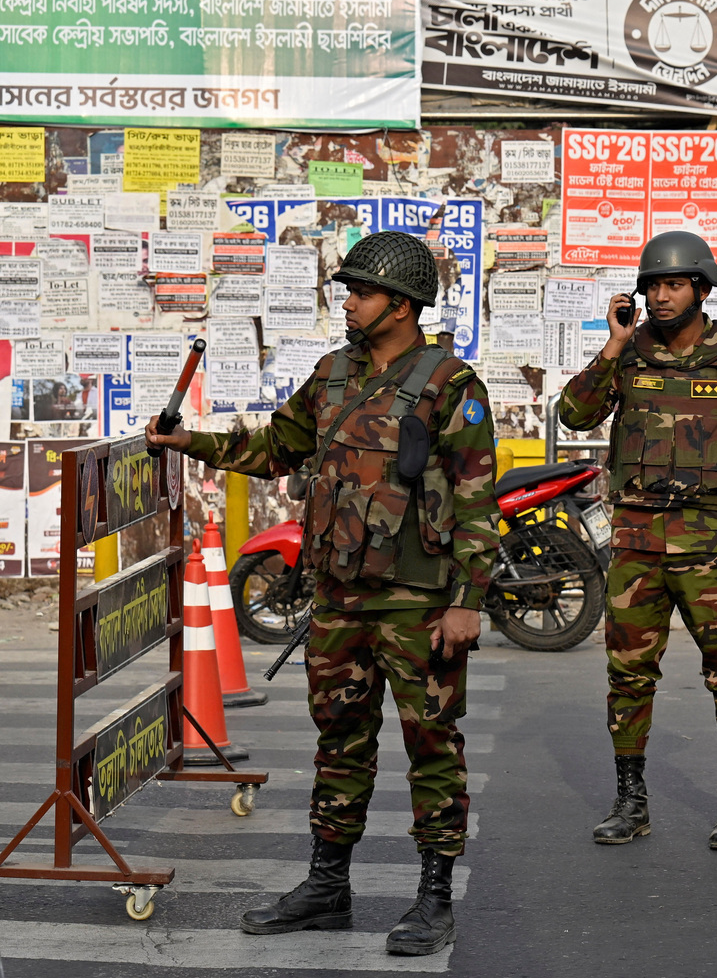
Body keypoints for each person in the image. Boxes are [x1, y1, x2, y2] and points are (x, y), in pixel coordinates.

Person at [146, 231, 500, 957]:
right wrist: (193, 444)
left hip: (418, 602)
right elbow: (277, 448)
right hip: (339, 598)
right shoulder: (332, 374)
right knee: (339, 742)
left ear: (401, 306)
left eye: (362, 293)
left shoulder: (451, 384)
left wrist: (468, 601)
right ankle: (327, 886)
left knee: (432, 746)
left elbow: (475, 500)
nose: (349, 303)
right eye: (349, 291)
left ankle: (434, 897)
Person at [559, 231, 717, 852]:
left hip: (709, 547)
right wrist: (613, 344)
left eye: (675, 284)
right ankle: (630, 801)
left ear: (702, 290)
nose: (661, 296)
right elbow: (574, 414)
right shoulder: (628, 354)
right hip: (636, 544)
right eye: (653, 285)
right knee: (628, 675)